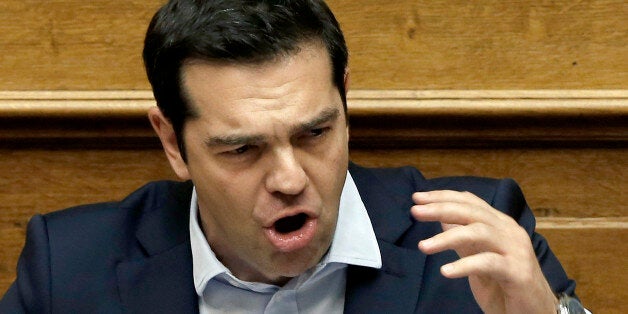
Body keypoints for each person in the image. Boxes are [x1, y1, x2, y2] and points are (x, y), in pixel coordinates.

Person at [1, 0, 587, 313]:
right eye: (242, 149)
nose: (288, 178)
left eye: (314, 134)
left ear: (345, 104)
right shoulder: (68, 271)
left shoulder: (472, 235)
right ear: (173, 143)